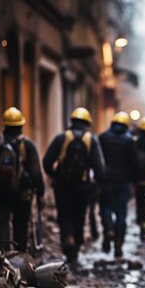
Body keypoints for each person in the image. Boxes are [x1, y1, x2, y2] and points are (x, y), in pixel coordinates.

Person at [42, 107, 105, 262]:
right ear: (88, 122)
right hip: (83, 186)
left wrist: (54, 175)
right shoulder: (92, 140)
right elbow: (99, 167)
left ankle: (67, 238)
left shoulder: (61, 137)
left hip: (62, 185)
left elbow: (47, 161)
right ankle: (76, 244)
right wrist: (97, 183)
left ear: (72, 121)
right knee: (79, 215)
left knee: (64, 215)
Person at [0, 107, 45, 252]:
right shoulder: (27, 146)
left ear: (4, 124)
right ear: (21, 125)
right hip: (22, 195)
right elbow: (36, 173)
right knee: (20, 231)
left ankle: (3, 260)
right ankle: (19, 260)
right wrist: (40, 193)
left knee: (1, 232)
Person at [99, 111, 139, 257]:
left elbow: (98, 159)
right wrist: (134, 182)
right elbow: (135, 163)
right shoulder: (129, 141)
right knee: (121, 214)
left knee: (106, 209)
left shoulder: (103, 137)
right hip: (123, 182)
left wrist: (98, 178)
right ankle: (118, 245)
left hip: (106, 181)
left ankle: (109, 229)